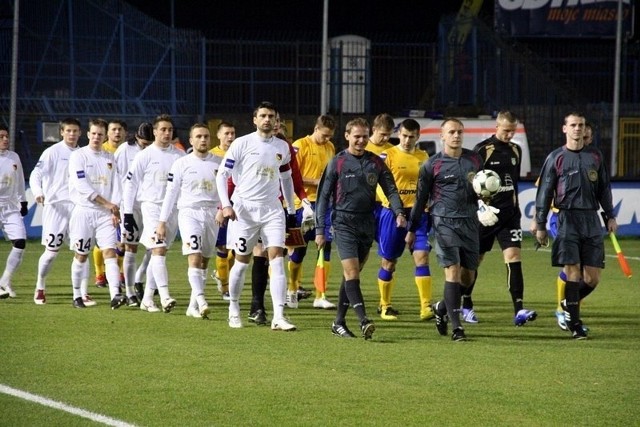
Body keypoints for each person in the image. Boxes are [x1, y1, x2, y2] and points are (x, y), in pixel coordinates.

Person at [315, 117, 406, 340]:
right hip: (343, 223)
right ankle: (364, 319)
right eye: (357, 136)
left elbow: (391, 190)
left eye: (365, 136)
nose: (361, 140)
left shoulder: (375, 162)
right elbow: (323, 197)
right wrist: (320, 229)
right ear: (347, 136)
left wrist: (399, 212)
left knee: (351, 277)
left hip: (367, 223)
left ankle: (338, 322)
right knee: (352, 272)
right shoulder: (337, 162)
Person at [406, 118, 492, 342]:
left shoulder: (474, 159)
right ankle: (457, 328)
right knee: (452, 272)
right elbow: (420, 199)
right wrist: (412, 229)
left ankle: (442, 307)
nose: (456, 135)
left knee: (467, 277)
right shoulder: (431, 165)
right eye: (451, 132)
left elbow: (482, 189)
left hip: (470, 223)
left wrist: (486, 202)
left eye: (459, 132)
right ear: (442, 136)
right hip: (444, 223)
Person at [533, 112, 616, 340]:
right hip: (566, 219)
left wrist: (610, 215)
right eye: (573, 125)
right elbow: (544, 193)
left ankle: (568, 303)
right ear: (565, 129)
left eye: (580, 125)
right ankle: (576, 324)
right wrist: (540, 224)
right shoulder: (555, 158)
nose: (577, 129)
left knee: (592, 278)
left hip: (591, 219)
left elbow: (604, 189)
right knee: (572, 270)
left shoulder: (595, 156)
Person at [216, 101, 297, 331]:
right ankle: (233, 308)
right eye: (263, 115)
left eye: (271, 115)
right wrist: (226, 205)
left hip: (272, 210)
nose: (267, 119)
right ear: (255, 120)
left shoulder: (282, 147)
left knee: (278, 260)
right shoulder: (242, 144)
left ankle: (279, 316)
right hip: (245, 211)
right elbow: (222, 175)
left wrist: (290, 210)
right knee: (241, 262)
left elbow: (287, 179)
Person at [459, 111, 537, 326]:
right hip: (485, 217)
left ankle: (519, 310)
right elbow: (471, 182)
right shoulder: (483, 150)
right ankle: (465, 303)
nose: (509, 135)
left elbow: (513, 182)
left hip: (509, 216)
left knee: (513, 257)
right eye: (506, 131)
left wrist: (516, 209)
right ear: (497, 127)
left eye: (512, 131)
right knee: (473, 263)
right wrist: (480, 207)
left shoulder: (516, 150)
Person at [247, 112, 309, 324]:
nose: (273, 125)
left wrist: (303, 201)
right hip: (254, 207)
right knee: (259, 253)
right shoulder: (250, 144)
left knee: (278, 254)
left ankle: (277, 310)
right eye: (269, 120)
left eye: (277, 122)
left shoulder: (285, 149)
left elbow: (296, 180)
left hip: (279, 209)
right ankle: (257, 305)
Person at [157, 123, 221, 319]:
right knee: (194, 255)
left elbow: (227, 190)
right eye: (199, 136)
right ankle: (201, 299)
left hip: (212, 214)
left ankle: (193, 306)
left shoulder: (219, 163)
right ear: (191, 140)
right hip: (189, 212)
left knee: (205, 259)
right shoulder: (181, 164)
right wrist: (162, 221)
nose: (203, 140)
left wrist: (221, 209)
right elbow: (171, 194)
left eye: (206, 136)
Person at [122, 114, 185, 313]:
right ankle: (165, 295)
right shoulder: (144, 155)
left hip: (172, 210)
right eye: (163, 129)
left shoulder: (180, 156)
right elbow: (130, 184)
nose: (167, 133)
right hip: (151, 207)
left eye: (170, 130)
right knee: (158, 250)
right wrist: (128, 213)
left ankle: (147, 298)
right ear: (155, 132)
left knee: (158, 252)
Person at [376, 118, 434, 321]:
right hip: (392, 214)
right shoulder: (388, 155)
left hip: (418, 214)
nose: (408, 140)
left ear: (418, 136)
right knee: (389, 261)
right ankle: (385, 306)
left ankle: (426, 307)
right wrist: (395, 209)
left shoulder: (424, 156)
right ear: (398, 134)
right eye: (404, 135)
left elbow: (427, 185)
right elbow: (380, 185)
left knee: (422, 256)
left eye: (412, 136)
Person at [31, 118, 92, 305]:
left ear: (80, 133)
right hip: (56, 207)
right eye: (68, 131)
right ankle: (40, 287)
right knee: (51, 252)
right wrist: (38, 192)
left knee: (82, 250)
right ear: (62, 133)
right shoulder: (52, 152)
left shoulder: (83, 154)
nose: (72, 134)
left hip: (78, 207)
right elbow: (36, 174)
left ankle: (83, 292)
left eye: (75, 131)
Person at [67, 119, 123, 309]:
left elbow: (117, 185)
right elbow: (82, 187)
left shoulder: (110, 158)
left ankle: (115, 294)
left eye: (100, 134)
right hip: (84, 212)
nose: (97, 137)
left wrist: (115, 208)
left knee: (110, 252)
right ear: (88, 134)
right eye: (94, 133)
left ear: (104, 135)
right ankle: (77, 296)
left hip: (105, 214)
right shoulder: (78, 156)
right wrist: (108, 204)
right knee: (81, 254)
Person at [288, 114, 337, 310]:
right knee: (298, 249)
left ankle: (320, 295)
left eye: (330, 136)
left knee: (325, 248)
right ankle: (291, 290)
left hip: (324, 206)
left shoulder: (330, 147)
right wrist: (315, 182)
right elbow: (291, 176)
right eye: (324, 135)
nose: (327, 139)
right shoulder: (300, 146)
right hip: (302, 205)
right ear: (316, 129)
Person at [550, 122, 594, 330]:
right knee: (573, 267)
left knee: (588, 274)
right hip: (561, 218)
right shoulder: (560, 159)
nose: (583, 139)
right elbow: (545, 187)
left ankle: (569, 304)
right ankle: (564, 310)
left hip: (585, 221)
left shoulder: (592, 161)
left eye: (587, 137)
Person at [114, 122, 153, 306]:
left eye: (148, 143)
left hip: (149, 205)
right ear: (136, 138)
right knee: (130, 247)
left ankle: (139, 277)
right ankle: (129, 292)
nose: (146, 146)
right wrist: (119, 207)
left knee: (155, 247)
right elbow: (117, 178)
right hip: (129, 205)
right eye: (143, 143)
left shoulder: (155, 151)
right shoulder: (124, 150)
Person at [93, 119, 128, 288]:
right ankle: (100, 274)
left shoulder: (127, 151)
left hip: (122, 200)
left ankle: (118, 273)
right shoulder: (101, 151)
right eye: (113, 129)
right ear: (107, 133)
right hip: (102, 203)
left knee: (122, 241)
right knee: (102, 241)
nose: (117, 132)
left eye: (120, 129)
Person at [0, 124, 28, 299]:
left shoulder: (13, 157)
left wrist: (23, 201)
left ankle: (4, 282)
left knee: (20, 242)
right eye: (1, 136)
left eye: (6, 136)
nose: (5, 139)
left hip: (10, 207)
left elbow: (19, 180)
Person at [210, 121, 236, 301]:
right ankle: (225, 287)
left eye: (232, 133)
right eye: (226, 133)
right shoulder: (211, 156)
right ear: (218, 135)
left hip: (236, 207)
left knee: (235, 249)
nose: (230, 137)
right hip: (218, 208)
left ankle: (225, 278)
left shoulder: (238, 154)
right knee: (222, 247)